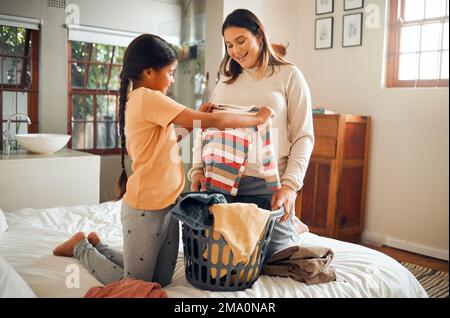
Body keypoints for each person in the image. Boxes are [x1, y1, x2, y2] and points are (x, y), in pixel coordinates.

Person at [53, 33, 273, 287]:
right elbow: (214, 121)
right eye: (169, 72)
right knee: (136, 284)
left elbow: (169, 141)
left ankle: (97, 244)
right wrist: (257, 119)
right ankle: (81, 247)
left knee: (162, 280)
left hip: (169, 204)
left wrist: (196, 118)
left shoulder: (145, 100)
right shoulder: (149, 98)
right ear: (148, 72)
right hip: (145, 209)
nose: (170, 80)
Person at [188, 9, 314, 259]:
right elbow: (207, 126)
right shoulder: (225, 81)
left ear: (259, 35)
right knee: (220, 259)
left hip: (266, 186)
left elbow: (304, 137)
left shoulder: (289, 76)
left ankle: (291, 227)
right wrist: (197, 170)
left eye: (241, 41)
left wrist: (290, 186)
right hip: (220, 184)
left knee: (277, 257)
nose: (235, 51)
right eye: (229, 45)